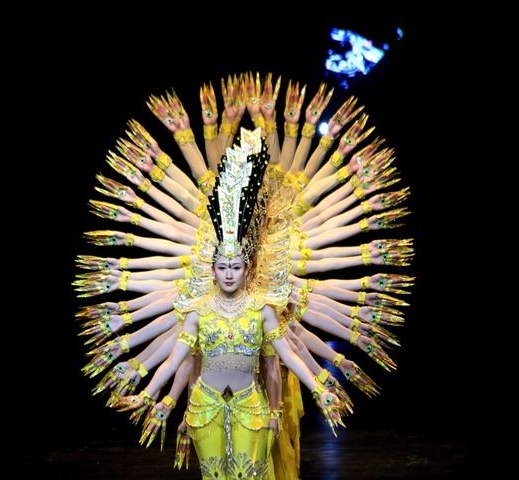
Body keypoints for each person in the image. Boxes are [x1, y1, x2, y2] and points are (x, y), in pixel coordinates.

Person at [74, 72, 413, 479]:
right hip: (212, 399)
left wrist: (318, 383)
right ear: (215, 266)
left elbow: (286, 353)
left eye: (236, 266)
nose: (230, 272)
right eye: (223, 266)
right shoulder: (200, 292)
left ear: (246, 264)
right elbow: (185, 357)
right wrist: (159, 397)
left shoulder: (274, 281)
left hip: (257, 393)